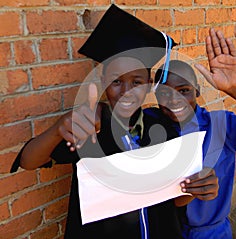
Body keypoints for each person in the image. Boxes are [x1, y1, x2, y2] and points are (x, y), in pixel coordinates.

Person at [10, 4, 184, 239]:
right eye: (116, 82)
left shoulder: (161, 127)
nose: (126, 92)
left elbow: (176, 195)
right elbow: (28, 161)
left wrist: (195, 188)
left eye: (136, 82)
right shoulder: (88, 128)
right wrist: (59, 128)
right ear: (103, 81)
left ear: (150, 81)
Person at [145, 28, 236, 238]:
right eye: (165, 93)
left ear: (197, 91)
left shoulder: (220, 125)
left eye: (184, 91)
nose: (174, 100)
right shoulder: (149, 123)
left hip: (210, 233)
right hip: (163, 229)